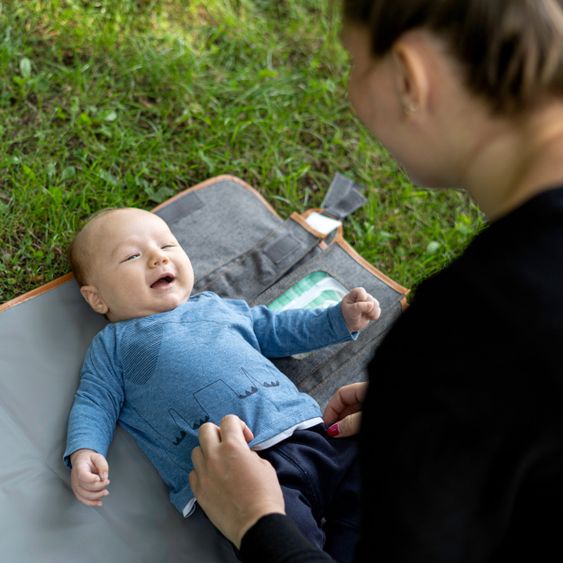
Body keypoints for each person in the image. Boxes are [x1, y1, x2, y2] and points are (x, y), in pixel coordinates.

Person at [188, 1, 563, 561]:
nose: (348, 87)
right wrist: (429, 425)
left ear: (409, 76)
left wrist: (257, 521)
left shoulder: (475, 326)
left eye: (353, 60)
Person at [63, 207, 381, 562]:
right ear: (97, 298)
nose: (157, 257)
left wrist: (337, 319)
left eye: (168, 245)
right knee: (287, 535)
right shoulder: (114, 346)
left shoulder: (216, 306)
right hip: (238, 474)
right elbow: (95, 400)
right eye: (132, 256)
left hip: (315, 437)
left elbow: (276, 330)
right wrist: (85, 450)